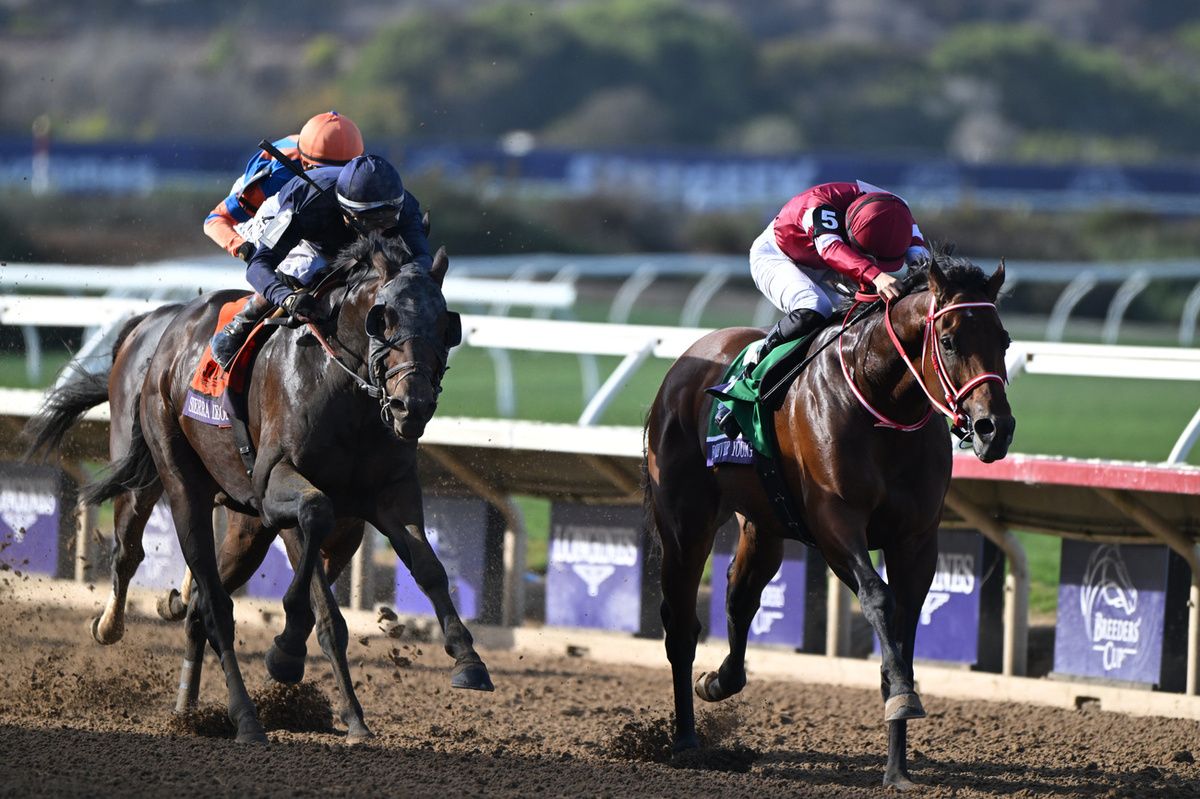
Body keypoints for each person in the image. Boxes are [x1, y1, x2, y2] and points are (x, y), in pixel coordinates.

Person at [209, 154, 433, 369]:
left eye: (387, 219)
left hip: (351, 236)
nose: (381, 228)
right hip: (307, 232)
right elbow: (258, 265)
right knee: (301, 269)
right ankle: (238, 326)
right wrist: (287, 299)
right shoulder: (308, 203)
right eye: (373, 220)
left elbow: (423, 259)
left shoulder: (405, 208)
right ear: (347, 212)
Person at [744, 180, 931, 370]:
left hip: (828, 265)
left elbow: (923, 261)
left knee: (866, 315)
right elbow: (831, 250)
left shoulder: (899, 212)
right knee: (815, 306)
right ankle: (756, 358)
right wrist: (876, 276)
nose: (876, 264)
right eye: (869, 257)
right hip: (779, 256)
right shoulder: (819, 204)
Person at [203, 111, 364, 262]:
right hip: (258, 209)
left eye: (342, 172)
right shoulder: (278, 177)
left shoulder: (360, 168)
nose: (330, 180)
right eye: (324, 173)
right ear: (305, 164)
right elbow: (215, 220)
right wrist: (244, 248)